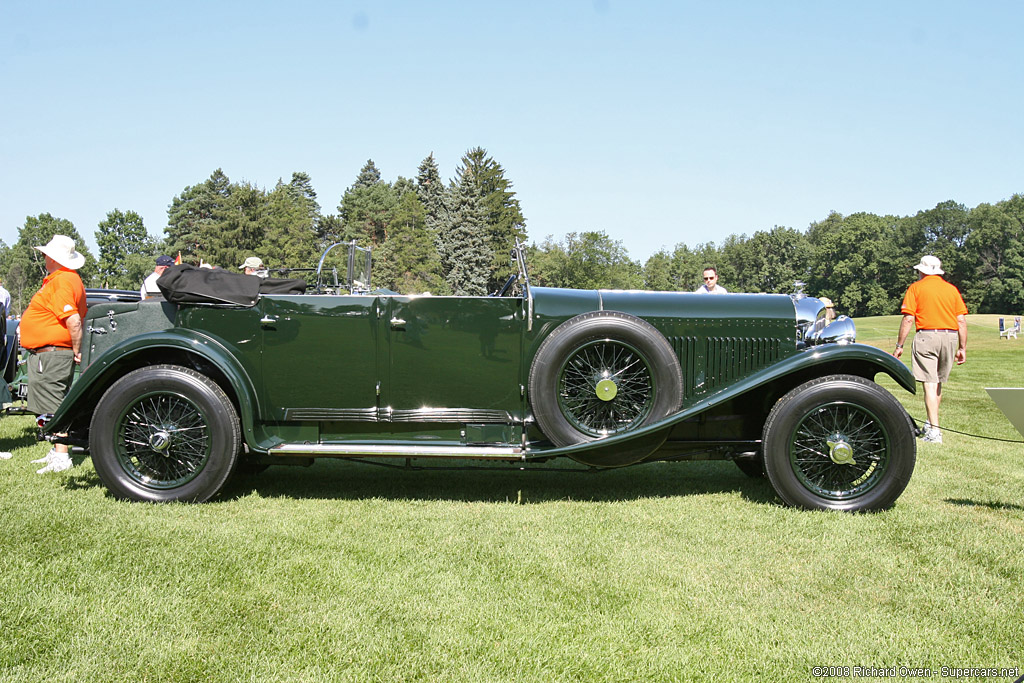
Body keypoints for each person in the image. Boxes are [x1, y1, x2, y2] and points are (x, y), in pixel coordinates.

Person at [18, 235, 88, 473]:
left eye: (47, 254)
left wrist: (77, 349)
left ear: (55, 258)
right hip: (51, 351)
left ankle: (62, 455)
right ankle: (55, 450)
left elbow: (74, 320)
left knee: (54, 403)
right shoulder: (65, 279)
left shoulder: (62, 281)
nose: (45, 257)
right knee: (51, 401)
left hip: (52, 352)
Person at [893, 255, 968, 444]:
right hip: (950, 337)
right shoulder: (951, 289)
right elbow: (961, 320)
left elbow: (908, 318)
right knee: (938, 382)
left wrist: (899, 345)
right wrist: (962, 347)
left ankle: (935, 431)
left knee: (929, 383)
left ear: (922, 270)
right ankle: (931, 421)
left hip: (927, 336)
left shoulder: (916, 288)